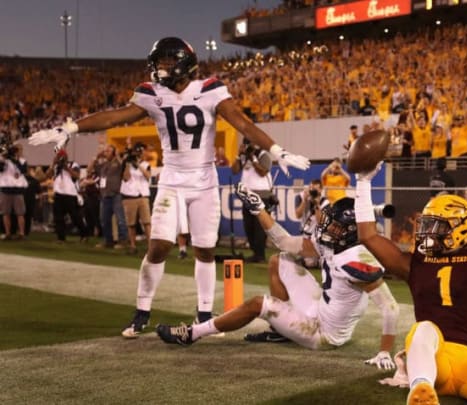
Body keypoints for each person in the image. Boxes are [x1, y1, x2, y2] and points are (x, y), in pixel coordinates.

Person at [28, 37, 309, 338]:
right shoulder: (151, 93)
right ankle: (142, 311)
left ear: (183, 63)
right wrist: (70, 128)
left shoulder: (211, 89)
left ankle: (203, 313)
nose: (160, 69)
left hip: (203, 181)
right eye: (158, 63)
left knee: (204, 249)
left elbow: (242, 123)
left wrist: (277, 150)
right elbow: (116, 116)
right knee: (159, 245)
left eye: (166, 63)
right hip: (172, 180)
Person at [352, 116, 467, 404]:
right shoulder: (417, 261)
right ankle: (422, 392)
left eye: (436, 226)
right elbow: (368, 236)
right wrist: (362, 183)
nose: (426, 232)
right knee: (423, 329)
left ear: (460, 228)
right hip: (430, 361)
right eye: (427, 224)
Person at [157, 189, 400, 372]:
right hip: (320, 309)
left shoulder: (356, 258)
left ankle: (192, 333)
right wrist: (259, 209)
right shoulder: (335, 243)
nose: (327, 227)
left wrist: (384, 352)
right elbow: (285, 243)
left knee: (257, 304)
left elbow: (390, 307)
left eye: (335, 226)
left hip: (324, 334)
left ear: (350, 232)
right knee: (279, 260)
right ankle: (280, 331)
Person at [231, 139, 274, 263]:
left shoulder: (264, 155)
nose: (248, 147)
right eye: (246, 145)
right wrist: (239, 155)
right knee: (248, 226)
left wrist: (253, 157)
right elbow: (234, 170)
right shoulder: (244, 157)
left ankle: (260, 255)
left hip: (262, 196)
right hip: (247, 195)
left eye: (250, 145)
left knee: (259, 227)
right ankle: (255, 253)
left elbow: (262, 172)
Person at [88, 144, 129, 249]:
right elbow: (89, 170)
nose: (105, 153)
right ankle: (108, 241)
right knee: (104, 220)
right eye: (105, 151)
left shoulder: (118, 163)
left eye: (108, 151)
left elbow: (124, 171)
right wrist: (96, 157)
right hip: (105, 195)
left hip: (116, 195)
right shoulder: (104, 165)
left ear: (114, 152)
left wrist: (118, 156)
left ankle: (123, 240)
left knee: (120, 219)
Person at [45, 149, 88, 243]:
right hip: (58, 194)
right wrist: (53, 164)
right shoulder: (56, 167)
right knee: (58, 217)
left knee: (75, 217)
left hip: (70, 194)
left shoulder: (73, 164)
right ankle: (61, 238)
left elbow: (76, 176)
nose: (60, 158)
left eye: (62, 156)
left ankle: (84, 234)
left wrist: (66, 167)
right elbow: (48, 175)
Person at [120, 142, 152, 255]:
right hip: (129, 196)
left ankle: (150, 246)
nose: (140, 154)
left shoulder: (146, 164)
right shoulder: (126, 164)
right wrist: (128, 164)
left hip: (142, 196)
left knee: (147, 222)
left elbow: (148, 176)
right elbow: (125, 178)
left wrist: (138, 165)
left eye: (141, 152)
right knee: (131, 224)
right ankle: (133, 246)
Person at [0, 140, 28, 240]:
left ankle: (21, 233)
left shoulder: (23, 161)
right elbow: (1, 168)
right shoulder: (4, 159)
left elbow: (23, 170)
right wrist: (4, 157)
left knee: (20, 213)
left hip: (17, 190)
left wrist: (14, 159)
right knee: (5, 212)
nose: (18, 151)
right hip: (6, 189)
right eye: (16, 149)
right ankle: (7, 233)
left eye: (19, 149)